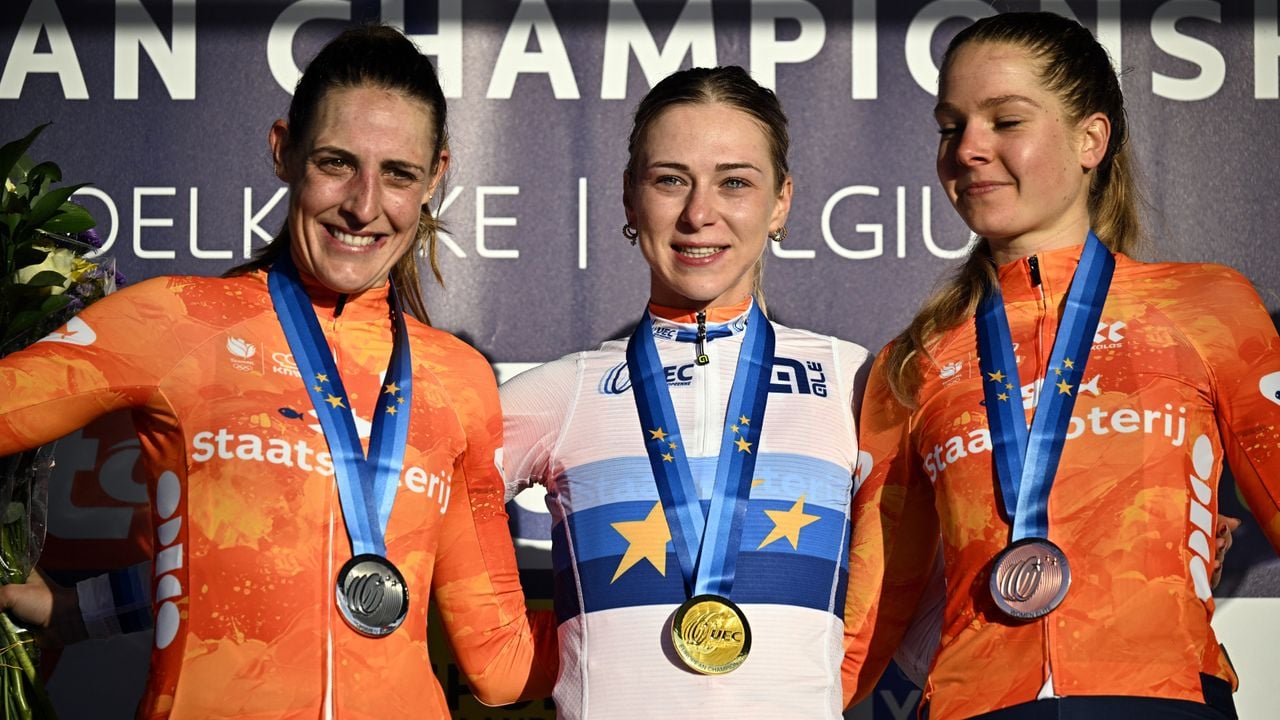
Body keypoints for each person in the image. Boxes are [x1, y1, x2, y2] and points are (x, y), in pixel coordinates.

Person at [0, 25, 555, 718]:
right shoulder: (177, 323)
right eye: (335, 162)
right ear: (283, 151)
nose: (363, 203)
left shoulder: (459, 380)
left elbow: (499, 665)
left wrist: (660, 629)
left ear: (436, 176)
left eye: (400, 174)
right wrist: (71, 608)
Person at [844, 11, 1280, 719]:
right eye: (951, 126)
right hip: (974, 707)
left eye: (1005, 121)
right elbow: (871, 610)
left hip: (1161, 698)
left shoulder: (1205, 304)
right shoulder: (914, 359)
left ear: (1090, 139)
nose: (969, 149)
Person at [499, 65, 896, 719]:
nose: (699, 213)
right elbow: (427, 504)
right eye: (669, 181)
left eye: (734, 182)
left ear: (781, 201)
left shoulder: (854, 381)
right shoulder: (563, 392)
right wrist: (528, 653)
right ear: (630, 198)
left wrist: (836, 667)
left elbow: (909, 574)